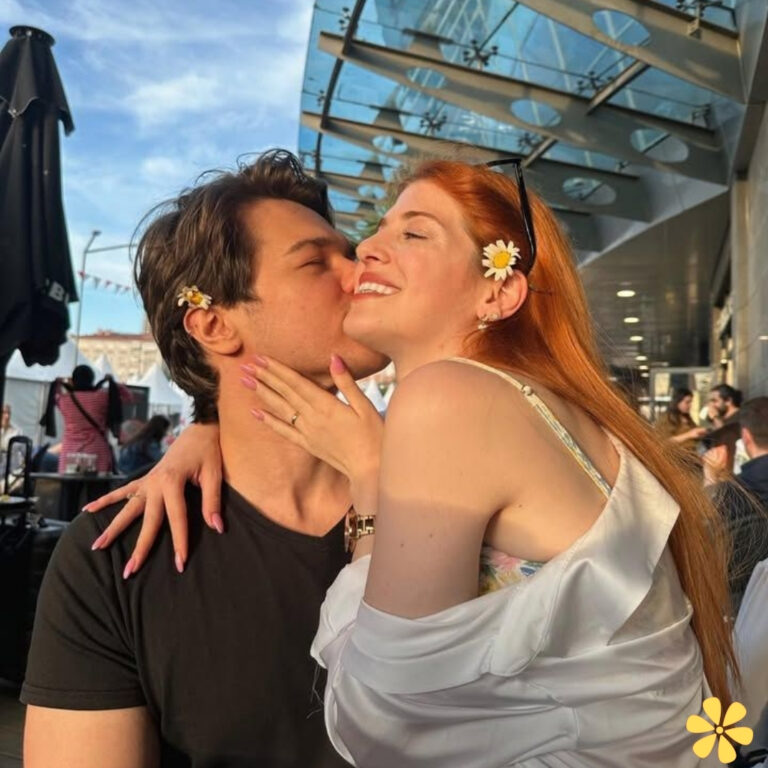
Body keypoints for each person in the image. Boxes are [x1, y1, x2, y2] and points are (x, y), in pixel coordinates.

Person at [88, 157, 737, 766]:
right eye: (319, 262)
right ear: (213, 327)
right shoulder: (522, 406)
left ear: (498, 291)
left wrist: (370, 479)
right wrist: (206, 428)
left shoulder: (447, 398)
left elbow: (384, 720)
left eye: (413, 234)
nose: (361, 255)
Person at [21, 150, 386, 768]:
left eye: (347, 252)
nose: (359, 274)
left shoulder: (459, 497)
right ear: (214, 324)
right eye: (315, 262)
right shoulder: (116, 558)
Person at [41, 365, 121, 473]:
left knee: (70, 488)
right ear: (92, 380)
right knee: (98, 488)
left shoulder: (65, 400)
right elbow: (126, 396)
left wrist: (61, 383)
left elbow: (55, 395)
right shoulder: (102, 397)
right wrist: (110, 381)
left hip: (70, 453)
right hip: (97, 451)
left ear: (73, 380)